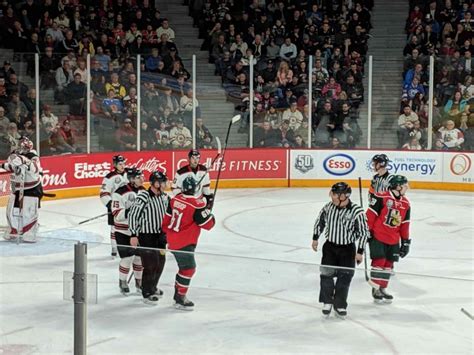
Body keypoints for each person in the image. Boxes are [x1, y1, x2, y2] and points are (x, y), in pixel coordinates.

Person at [312, 182, 370, 319]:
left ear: (344, 196)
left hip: (348, 249)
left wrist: (360, 252)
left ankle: (340, 304)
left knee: (345, 277)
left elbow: (363, 232)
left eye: (334, 193)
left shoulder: (357, 211)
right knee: (326, 275)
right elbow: (319, 221)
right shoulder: (328, 207)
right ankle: (327, 301)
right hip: (330, 247)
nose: (331, 195)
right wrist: (315, 238)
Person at [162, 176, 216, 310]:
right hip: (184, 242)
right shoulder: (197, 204)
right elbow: (208, 225)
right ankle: (180, 298)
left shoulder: (175, 199)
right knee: (189, 268)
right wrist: (209, 212)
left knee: (183, 268)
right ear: (196, 188)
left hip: (172, 239)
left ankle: (177, 294)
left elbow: (166, 222)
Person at [366, 175, 412, 304]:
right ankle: (375, 289)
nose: (406, 187)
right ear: (397, 186)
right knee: (379, 262)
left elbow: (405, 224)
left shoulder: (406, 203)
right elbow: (370, 215)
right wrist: (367, 231)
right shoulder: (381, 197)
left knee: (388, 265)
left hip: (393, 239)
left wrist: (405, 241)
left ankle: (383, 288)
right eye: (404, 185)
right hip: (378, 236)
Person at [128, 171, 169, 305]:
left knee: (161, 262)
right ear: (155, 183)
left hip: (161, 236)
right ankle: (147, 292)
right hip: (147, 236)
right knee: (150, 264)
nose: (164, 184)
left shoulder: (165, 197)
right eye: (162, 182)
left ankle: (153, 287)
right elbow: (133, 215)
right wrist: (134, 234)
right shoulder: (144, 196)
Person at [0, 137, 43, 242]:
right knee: (11, 210)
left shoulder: (32, 156)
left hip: (32, 188)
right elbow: (11, 168)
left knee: (28, 212)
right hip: (17, 186)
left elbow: (35, 170)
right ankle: (13, 230)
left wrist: (24, 162)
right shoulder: (15, 155)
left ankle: (29, 232)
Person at [111, 168, 145, 295]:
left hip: (137, 231)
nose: (142, 179)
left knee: (139, 259)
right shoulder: (119, 193)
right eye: (139, 177)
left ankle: (139, 282)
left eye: (142, 176)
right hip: (122, 231)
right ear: (131, 179)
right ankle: (122, 281)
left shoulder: (143, 191)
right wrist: (133, 210)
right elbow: (117, 214)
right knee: (127, 258)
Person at [99, 155, 128, 257]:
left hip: (128, 206)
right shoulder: (109, 177)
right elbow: (103, 193)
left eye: (124, 163)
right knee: (114, 228)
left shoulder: (129, 174)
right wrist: (111, 205)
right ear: (115, 165)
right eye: (120, 164)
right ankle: (114, 248)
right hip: (115, 206)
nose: (122, 166)